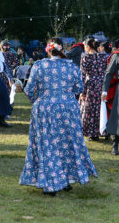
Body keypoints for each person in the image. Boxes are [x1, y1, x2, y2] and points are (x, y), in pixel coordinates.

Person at [19, 38, 97, 196]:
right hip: (68, 109)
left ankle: (50, 182)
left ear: (48, 50)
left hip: (45, 110)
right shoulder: (71, 67)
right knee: (67, 144)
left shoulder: (39, 66)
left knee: (47, 145)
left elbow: (29, 90)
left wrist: (39, 102)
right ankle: (66, 179)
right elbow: (79, 88)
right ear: (62, 49)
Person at [79, 38, 108, 141]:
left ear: (88, 47)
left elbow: (83, 75)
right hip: (103, 84)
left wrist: (82, 91)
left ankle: (93, 133)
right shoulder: (104, 57)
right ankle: (105, 131)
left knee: (91, 109)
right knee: (102, 107)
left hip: (91, 85)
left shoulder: (86, 58)